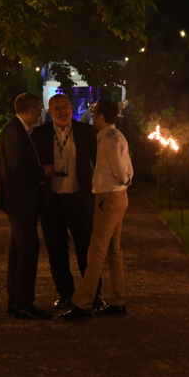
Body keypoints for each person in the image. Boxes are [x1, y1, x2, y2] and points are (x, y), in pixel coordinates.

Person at [61, 98, 133, 320]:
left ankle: (84, 304)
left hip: (109, 198)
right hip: (116, 196)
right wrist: (126, 181)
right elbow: (127, 170)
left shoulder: (109, 140)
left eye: (94, 114)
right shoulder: (116, 136)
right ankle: (118, 300)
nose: (92, 116)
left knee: (96, 251)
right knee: (113, 251)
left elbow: (122, 172)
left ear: (101, 117)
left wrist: (123, 181)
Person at [32, 95, 102, 310]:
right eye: (58, 108)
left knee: (86, 249)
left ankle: (93, 293)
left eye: (66, 107)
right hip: (51, 201)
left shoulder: (86, 132)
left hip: (78, 199)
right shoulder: (40, 134)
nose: (63, 111)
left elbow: (99, 164)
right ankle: (64, 293)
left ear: (72, 108)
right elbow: (31, 165)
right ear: (50, 111)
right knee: (56, 250)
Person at [0, 92, 54, 321]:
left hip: (20, 200)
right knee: (28, 249)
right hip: (19, 201)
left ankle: (16, 299)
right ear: (30, 109)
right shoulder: (14, 132)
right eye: (39, 108)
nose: (40, 112)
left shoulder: (18, 130)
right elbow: (18, 166)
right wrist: (43, 172)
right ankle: (23, 303)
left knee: (19, 250)